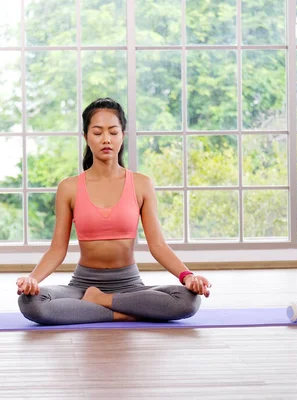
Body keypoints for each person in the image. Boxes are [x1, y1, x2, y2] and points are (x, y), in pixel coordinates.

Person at [17, 98, 212, 325]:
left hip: (129, 286)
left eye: (113, 132)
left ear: (123, 135)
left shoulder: (141, 184)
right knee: (31, 303)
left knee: (188, 300)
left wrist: (187, 276)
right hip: (82, 285)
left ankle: (101, 301)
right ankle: (124, 312)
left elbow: (158, 245)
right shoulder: (68, 187)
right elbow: (57, 249)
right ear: (86, 137)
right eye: (98, 132)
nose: (106, 139)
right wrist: (32, 280)